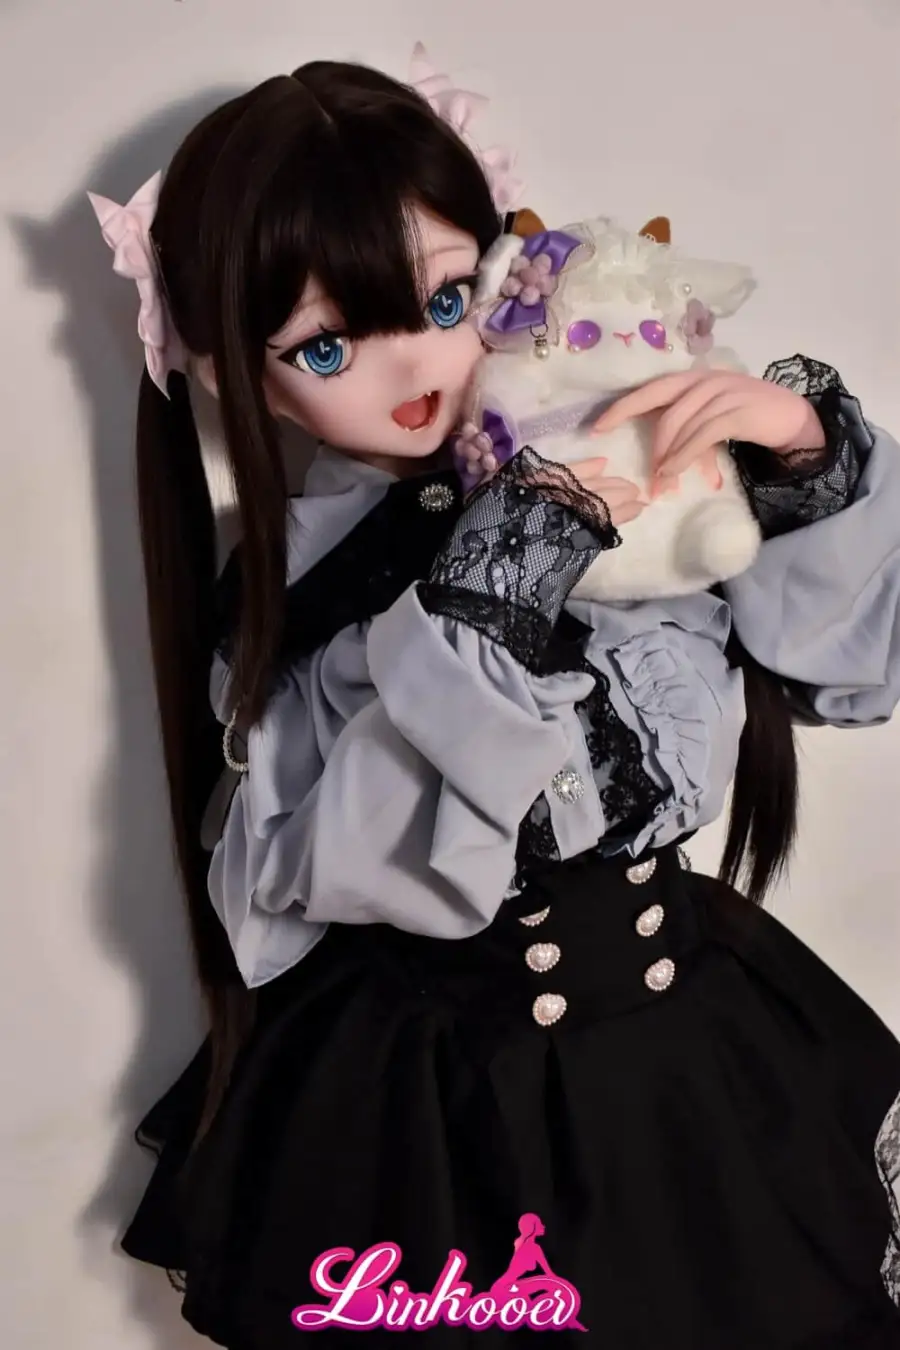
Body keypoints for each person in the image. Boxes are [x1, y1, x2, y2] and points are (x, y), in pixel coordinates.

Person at [89, 49, 900, 1350]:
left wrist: (800, 455)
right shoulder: (301, 592)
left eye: (446, 296)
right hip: (441, 1112)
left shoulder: (609, 454)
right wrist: (497, 583)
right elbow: (352, 867)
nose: (409, 363)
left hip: (691, 1051)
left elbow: (846, 676)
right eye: (327, 343)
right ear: (235, 368)